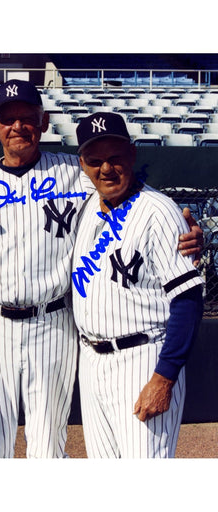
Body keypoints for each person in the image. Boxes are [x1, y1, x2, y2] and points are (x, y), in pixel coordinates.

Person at [0, 79, 203, 458]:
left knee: (49, 445)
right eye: (8, 118)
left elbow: (127, 188)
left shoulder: (76, 174)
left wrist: (184, 228)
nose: (18, 126)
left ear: (44, 121)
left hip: (54, 322)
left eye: (28, 117)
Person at [71, 112, 204, 458]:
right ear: (82, 165)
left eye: (115, 158)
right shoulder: (87, 206)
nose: (106, 169)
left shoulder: (159, 211)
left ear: (132, 154)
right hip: (92, 362)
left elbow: (188, 300)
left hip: (142, 360)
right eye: (95, 160)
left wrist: (164, 378)